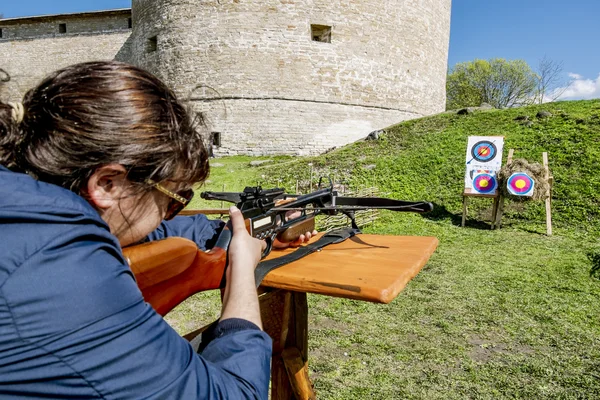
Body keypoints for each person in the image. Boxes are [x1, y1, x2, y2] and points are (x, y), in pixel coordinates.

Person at [0, 61, 313, 399]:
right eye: (173, 201)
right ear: (107, 183)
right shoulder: (63, 279)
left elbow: (151, 230)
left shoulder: (28, 207)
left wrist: (247, 230)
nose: (168, 216)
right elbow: (235, 394)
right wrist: (241, 275)